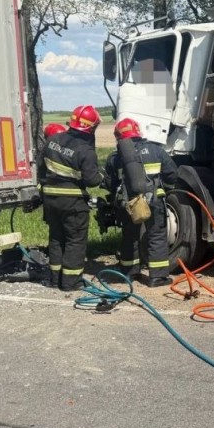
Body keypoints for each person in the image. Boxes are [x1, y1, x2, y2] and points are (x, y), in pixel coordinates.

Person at [104, 117, 177, 287]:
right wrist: (164, 187)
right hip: (154, 200)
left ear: (118, 138)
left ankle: (129, 273)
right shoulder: (155, 150)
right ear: (138, 132)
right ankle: (157, 277)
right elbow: (172, 172)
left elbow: (109, 183)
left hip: (128, 203)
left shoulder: (115, 158)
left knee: (130, 236)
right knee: (156, 235)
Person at [37, 105, 102, 291]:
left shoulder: (53, 140)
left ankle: (54, 279)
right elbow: (92, 181)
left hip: (50, 200)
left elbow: (41, 167)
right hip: (73, 203)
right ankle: (70, 282)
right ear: (91, 128)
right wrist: (101, 176)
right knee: (75, 241)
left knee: (56, 238)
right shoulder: (85, 151)